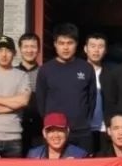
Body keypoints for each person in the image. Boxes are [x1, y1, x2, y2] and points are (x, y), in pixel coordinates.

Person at [35, 23, 97, 153]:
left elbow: (91, 100)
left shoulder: (86, 68)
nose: (65, 47)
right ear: (55, 44)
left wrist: (84, 121)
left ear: (76, 44)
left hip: (81, 132)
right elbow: (41, 102)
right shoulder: (45, 70)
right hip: (55, 133)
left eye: (70, 43)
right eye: (61, 43)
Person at [17, 32, 43, 155]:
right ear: (20, 49)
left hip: (39, 130)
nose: (29, 50)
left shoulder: (45, 72)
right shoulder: (12, 72)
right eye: (26, 47)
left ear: (38, 49)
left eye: (33, 47)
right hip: (17, 128)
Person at [84, 32, 108, 153]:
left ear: (105, 50)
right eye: (93, 46)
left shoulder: (111, 75)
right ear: (85, 48)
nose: (96, 50)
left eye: (100, 46)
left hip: (104, 129)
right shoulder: (77, 72)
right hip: (83, 129)